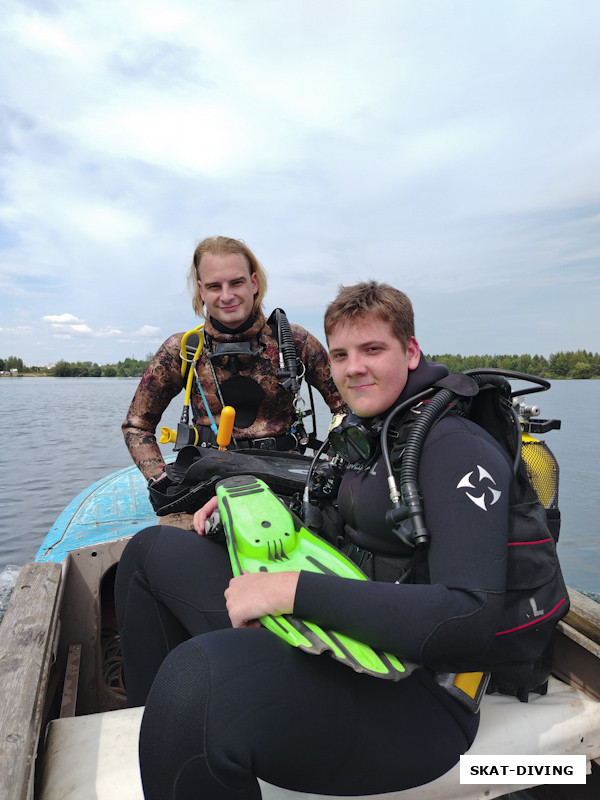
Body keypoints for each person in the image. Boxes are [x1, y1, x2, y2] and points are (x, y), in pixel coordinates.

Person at [114, 281, 560, 799]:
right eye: (342, 354)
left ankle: (180, 732)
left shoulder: (453, 448)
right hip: (341, 636)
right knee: (151, 551)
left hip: (421, 699)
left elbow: (468, 620)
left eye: (374, 349)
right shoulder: (372, 432)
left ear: (410, 351)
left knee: (195, 686)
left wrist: (292, 592)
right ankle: (158, 744)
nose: (353, 368)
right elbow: (331, 525)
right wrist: (248, 514)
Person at [122, 236, 345, 489]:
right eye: (214, 286)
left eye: (236, 283)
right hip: (205, 479)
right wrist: (160, 479)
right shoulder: (181, 350)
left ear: (253, 283)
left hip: (288, 479)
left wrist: (337, 465)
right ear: (201, 291)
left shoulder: (295, 342)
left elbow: (345, 407)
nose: (226, 296)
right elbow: (137, 425)